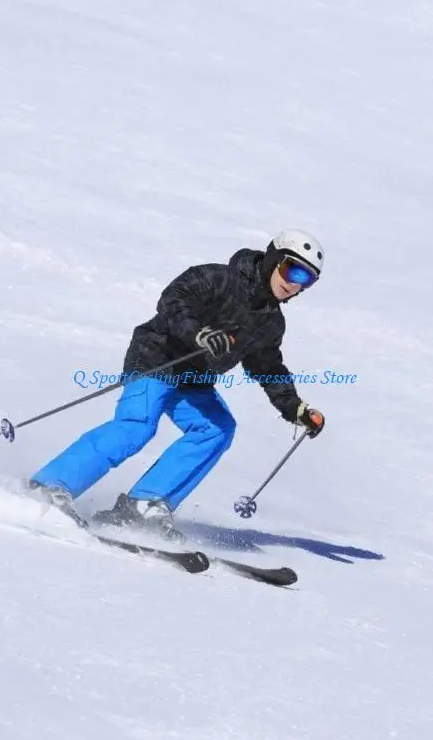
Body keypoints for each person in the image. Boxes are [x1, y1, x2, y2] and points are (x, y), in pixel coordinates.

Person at [27, 229, 326, 540]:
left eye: (306, 279)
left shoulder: (271, 322)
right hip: (157, 357)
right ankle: (51, 484)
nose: (294, 283)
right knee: (137, 426)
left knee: (217, 430)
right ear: (272, 260)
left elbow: (268, 367)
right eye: (292, 269)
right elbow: (174, 298)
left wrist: (296, 408)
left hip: (194, 380)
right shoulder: (219, 279)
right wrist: (199, 333)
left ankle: (144, 503)